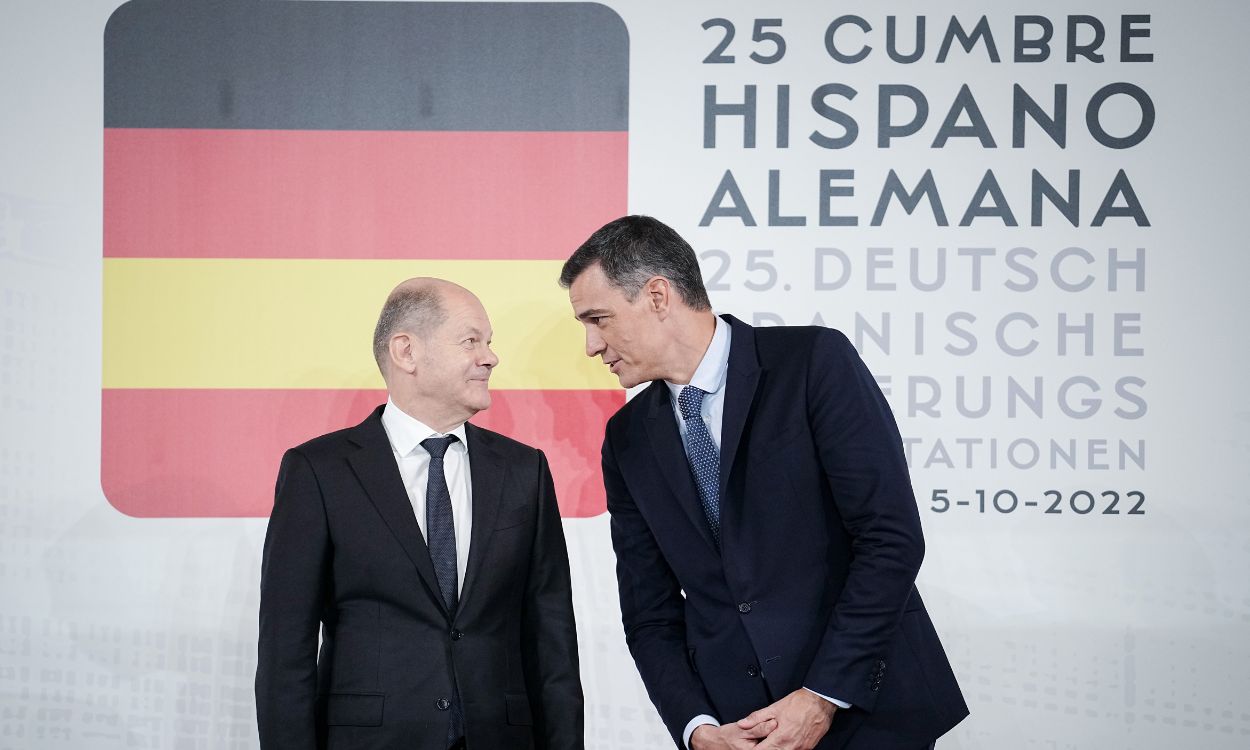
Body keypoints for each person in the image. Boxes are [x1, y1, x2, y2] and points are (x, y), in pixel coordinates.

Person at [560, 217, 968, 750]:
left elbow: (890, 539)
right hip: (740, 732)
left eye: (599, 318)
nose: (591, 345)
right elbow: (649, 612)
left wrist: (823, 694)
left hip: (867, 712)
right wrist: (696, 728)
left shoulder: (813, 363)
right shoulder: (627, 438)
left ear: (658, 295)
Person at [255, 278, 583, 750]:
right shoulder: (319, 471)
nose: (490, 357)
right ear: (406, 352)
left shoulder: (523, 470)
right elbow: (287, 651)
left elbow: (552, 640)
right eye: (472, 341)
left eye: (489, 343)